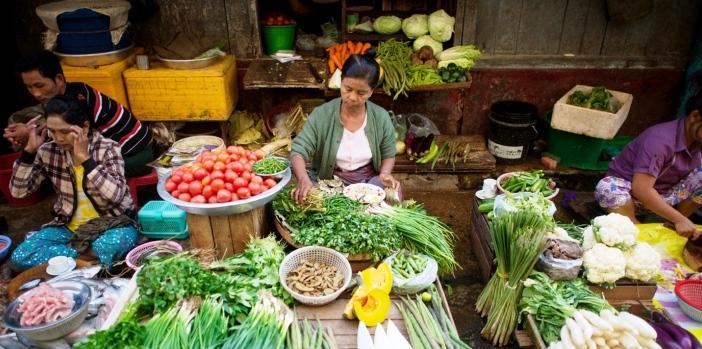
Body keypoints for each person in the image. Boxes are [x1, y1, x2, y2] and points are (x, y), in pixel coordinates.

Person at [9, 96, 138, 271]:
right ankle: (82, 261)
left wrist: (86, 160)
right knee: (20, 257)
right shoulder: (48, 151)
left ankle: (64, 262)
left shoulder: (107, 148)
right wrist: (29, 152)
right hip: (69, 229)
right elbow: (19, 192)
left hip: (112, 224)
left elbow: (115, 196)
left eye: (64, 131)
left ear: (84, 127)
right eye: (52, 131)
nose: (58, 138)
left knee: (110, 245)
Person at [4, 50, 153, 177]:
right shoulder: (58, 99)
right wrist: (30, 134)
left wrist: (30, 135)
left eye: (40, 85)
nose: (36, 93)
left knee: (69, 168)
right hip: (122, 152)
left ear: (59, 79)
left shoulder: (78, 100)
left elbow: (69, 142)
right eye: (29, 87)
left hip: (136, 156)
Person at [595, 85, 702, 240]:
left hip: (663, 197)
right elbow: (641, 189)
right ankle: (637, 228)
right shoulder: (660, 139)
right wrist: (680, 219)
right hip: (630, 196)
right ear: (695, 116)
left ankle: (672, 224)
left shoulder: (697, 141)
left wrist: (680, 219)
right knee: (607, 187)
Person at [290, 53, 401, 203]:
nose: (353, 97)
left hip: (366, 183)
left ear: (372, 91)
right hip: (328, 181)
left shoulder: (380, 117)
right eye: (348, 89)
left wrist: (385, 174)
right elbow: (299, 150)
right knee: (307, 202)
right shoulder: (322, 115)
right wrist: (303, 179)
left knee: (393, 196)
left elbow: (389, 153)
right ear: (341, 81)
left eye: (361, 93)